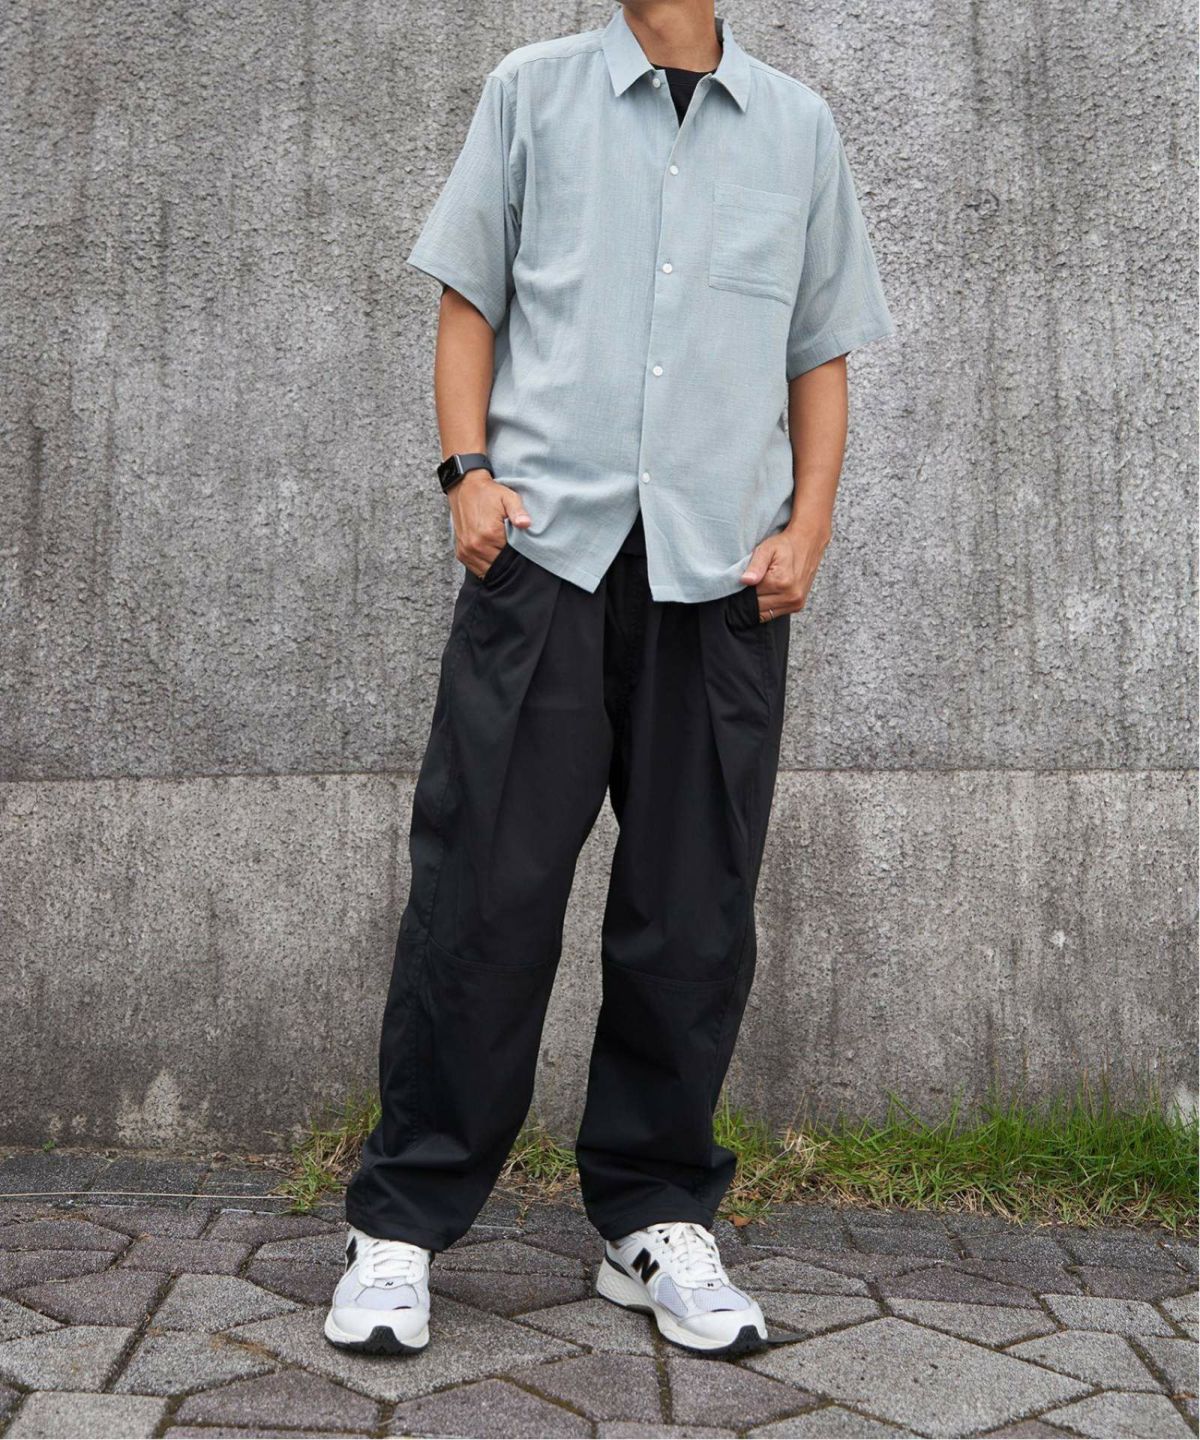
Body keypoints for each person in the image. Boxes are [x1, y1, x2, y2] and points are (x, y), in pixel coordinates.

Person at [326, 0, 894, 1359]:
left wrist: (811, 525)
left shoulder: (799, 130)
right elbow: (470, 299)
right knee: (482, 893)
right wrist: (466, 475)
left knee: (692, 911)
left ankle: (655, 1214)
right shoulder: (532, 93)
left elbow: (818, 349)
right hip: (547, 560)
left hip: (723, 577)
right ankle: (401, 1225)